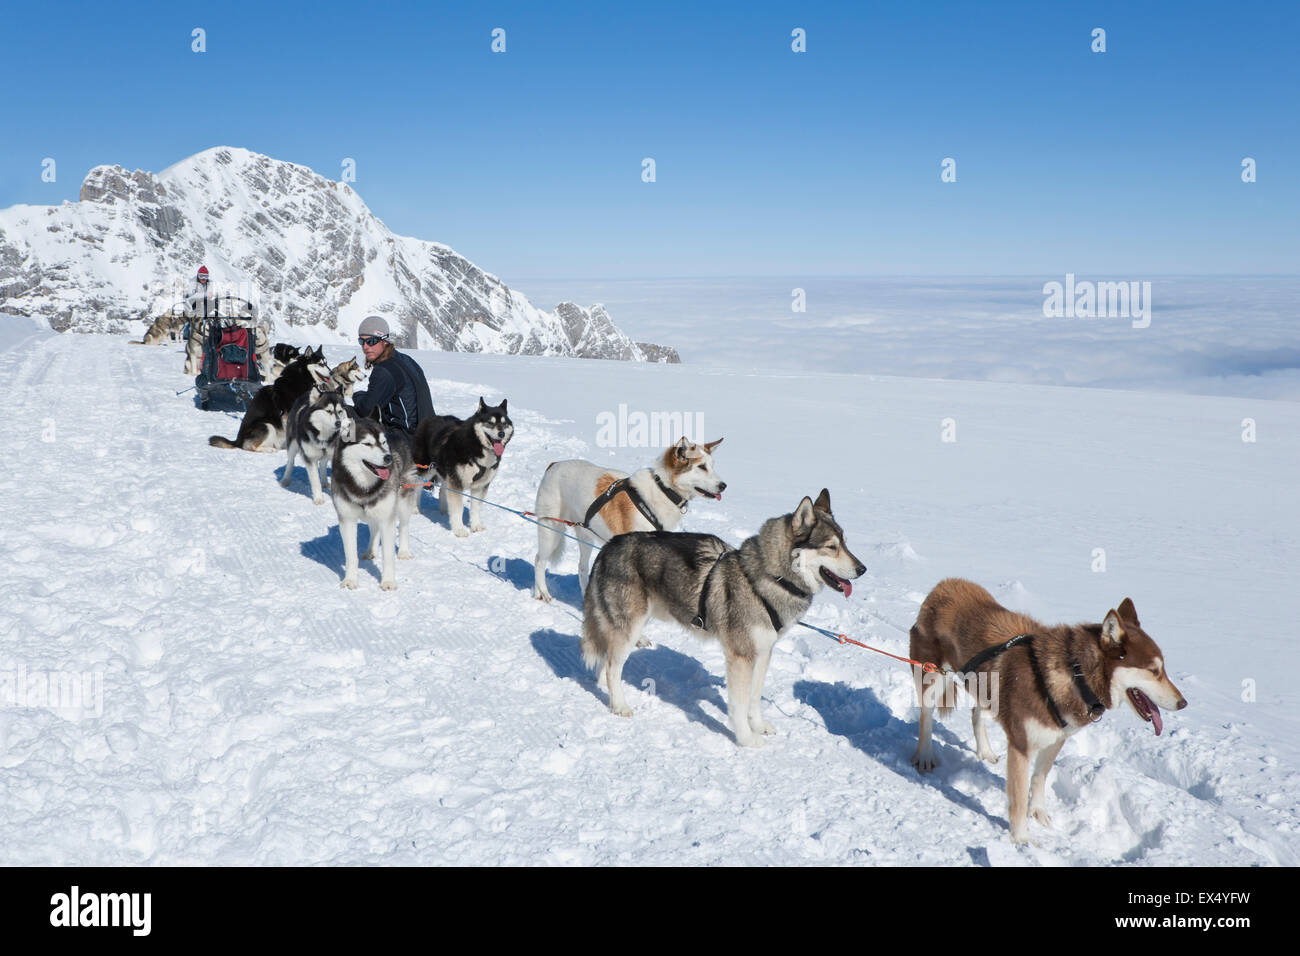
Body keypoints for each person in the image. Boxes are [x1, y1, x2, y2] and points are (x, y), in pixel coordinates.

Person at [350, 315, 434, 442]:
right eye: (362, 341)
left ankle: (346, 455)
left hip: (405, 441)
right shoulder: (405, 360)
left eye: (371, 341)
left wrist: (357, 396)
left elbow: (366, 410)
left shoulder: (385, 370)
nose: (365, 347)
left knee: (348, 416)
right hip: (426, 437)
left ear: (384, 341)